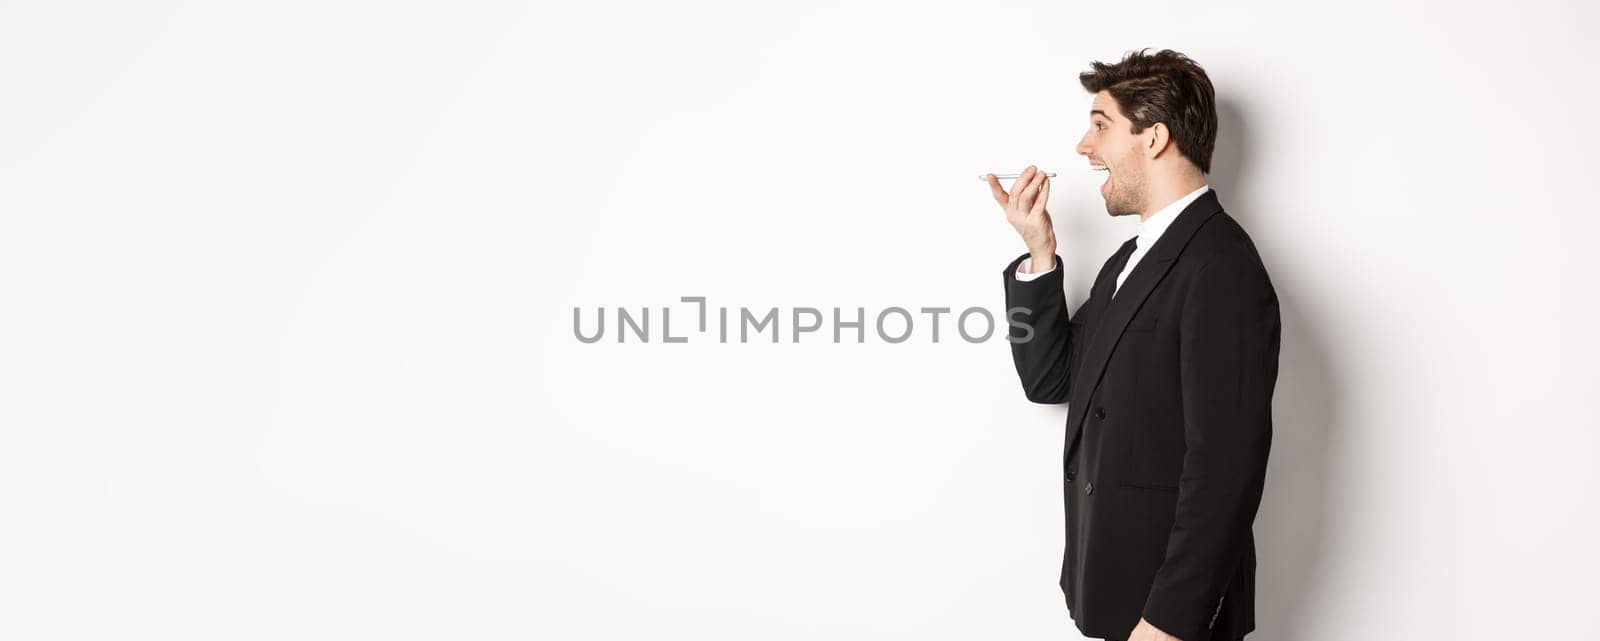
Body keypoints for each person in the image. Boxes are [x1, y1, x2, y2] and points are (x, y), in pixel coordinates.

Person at [986, 49, 1279, 641]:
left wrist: (1169, 621)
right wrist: (1040, 252)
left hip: (1170, 618)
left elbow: (1226, 468)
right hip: (1117, 594)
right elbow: (1052, 380)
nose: (1082, 147)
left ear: (1154, 138)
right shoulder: (1132, 259)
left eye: (1100, 125)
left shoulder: (1220, 265)